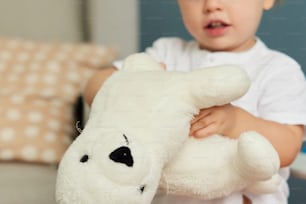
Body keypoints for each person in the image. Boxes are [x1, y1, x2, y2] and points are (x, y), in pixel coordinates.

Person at [84, 0, 306, 203]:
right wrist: (138, 85)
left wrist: (235, 122)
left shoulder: (278, 70)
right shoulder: (167, 52)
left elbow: (288, 148)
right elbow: (95, 87)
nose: (211, 5)